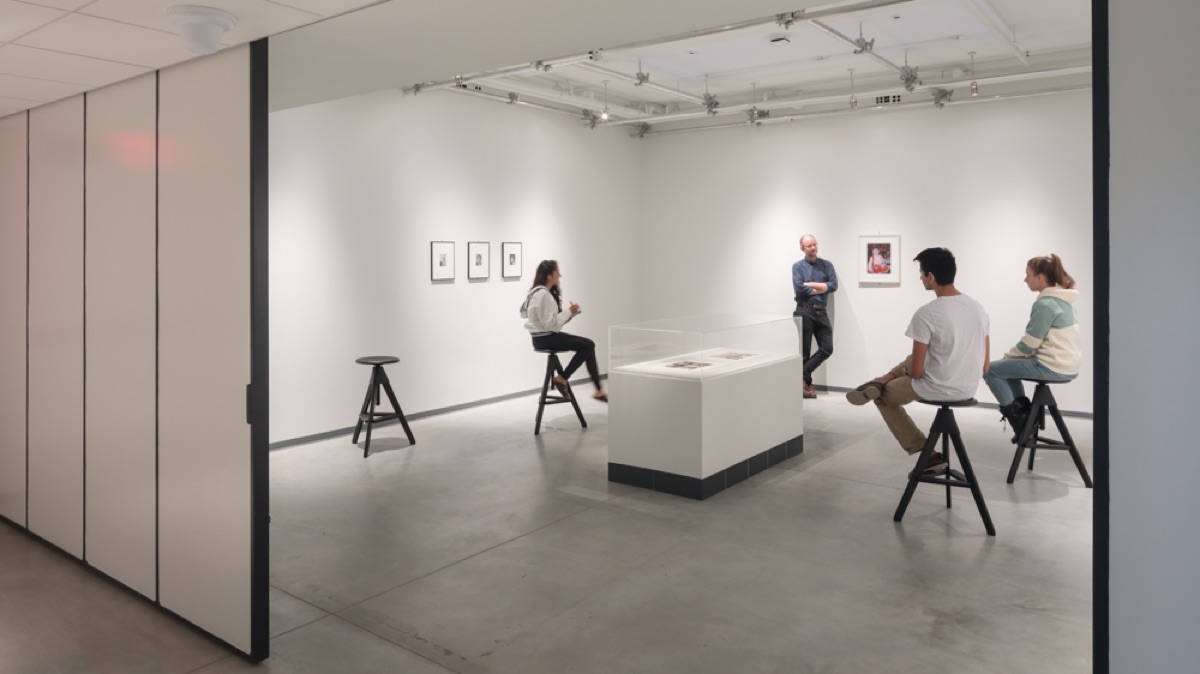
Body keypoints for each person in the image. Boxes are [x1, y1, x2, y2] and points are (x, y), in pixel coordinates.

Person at [845, 248, 990, 473]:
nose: (921, 278)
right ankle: (887, 377)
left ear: (930, 276)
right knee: (916, 357)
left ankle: (927, 453)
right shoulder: (977, 308)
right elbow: (985, 364)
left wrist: (907, 371)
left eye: (921, 273)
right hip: (968, 387)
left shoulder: (927, 313)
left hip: (936, 388)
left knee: (883, 397)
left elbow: (916, 372)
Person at [983, 254, 1082, 440]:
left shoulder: (1046, 304)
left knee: (990, 370)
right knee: (1007, 368)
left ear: (1040, 277)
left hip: (1051, 366)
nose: (1025, 279)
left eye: (1027, 274)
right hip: (1068, 366)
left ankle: (1022, 423)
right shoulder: (1064, 300)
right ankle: (1026, 418)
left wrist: (1008, 356)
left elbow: (1029, 345)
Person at [520, 260, 607, 402]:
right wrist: (569, 312)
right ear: (549, 275)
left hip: (539, 338)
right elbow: (549, 325)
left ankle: (598, 390)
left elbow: (525, 314)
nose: (560, 275)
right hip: (547, 337)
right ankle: (563, 378)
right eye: (557, 272)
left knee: (588, 345)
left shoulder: (534, 292)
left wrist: (565, 317)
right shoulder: (544, 294)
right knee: (588, 345)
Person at [792, 234, 838, 399]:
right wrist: (822, 288)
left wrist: (810, 284)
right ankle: (806, 385)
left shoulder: (826, 265)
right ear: (802, 249)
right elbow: (799, 289)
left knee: (827, 348)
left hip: (821, 311)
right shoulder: (797, 267)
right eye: (808, 246)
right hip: (804, 310)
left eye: (814, 245)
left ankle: (802, 375)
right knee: (804, 351)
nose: (812, 248)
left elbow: (833, 286)